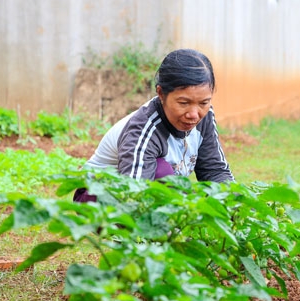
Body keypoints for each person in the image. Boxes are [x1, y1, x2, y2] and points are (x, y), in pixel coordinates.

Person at [73, 48, 234, 202]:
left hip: (137, 192)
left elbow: (215, 170)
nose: (194, 114)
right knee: (161, 172)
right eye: (184, 103)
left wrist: (238, 208)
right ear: (161, 94)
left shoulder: (204, 117)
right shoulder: (143, 129)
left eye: (204, 102)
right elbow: (134, 193)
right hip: (95, 195)